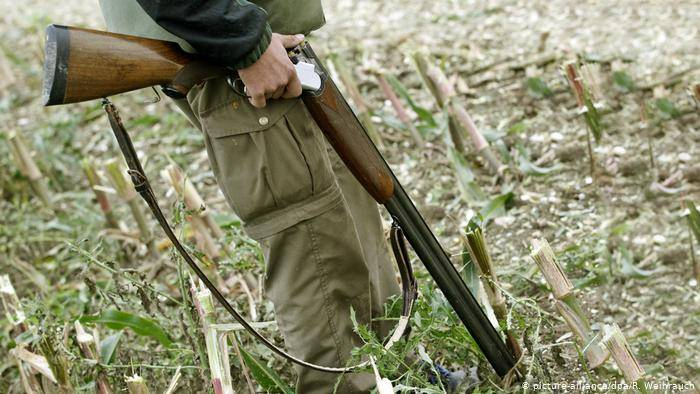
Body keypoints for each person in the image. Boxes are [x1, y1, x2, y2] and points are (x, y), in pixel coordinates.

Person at [98, 1, 400, 392]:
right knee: (313, 250)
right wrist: (245, 39)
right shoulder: (242, 41)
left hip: (263, 49)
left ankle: (395, 376)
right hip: (240, 56)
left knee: (350, 222)